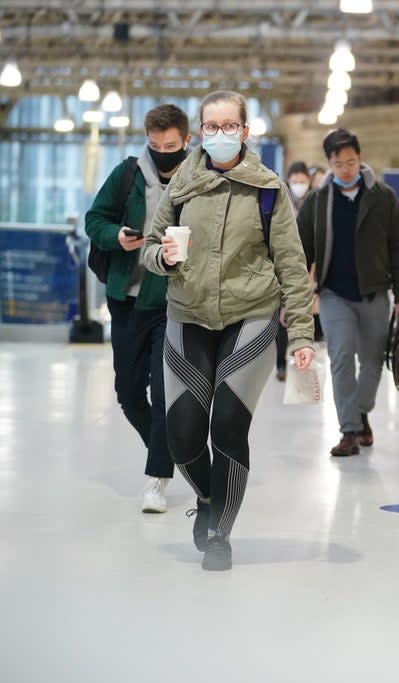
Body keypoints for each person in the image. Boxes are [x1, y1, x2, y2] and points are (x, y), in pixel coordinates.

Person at [140, 90, 316, 571]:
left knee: (229, 427)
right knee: (181, 433)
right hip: (188, 315)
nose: (220, 135)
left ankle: (219, 532)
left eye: (229, 126)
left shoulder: (268, 189)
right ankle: (208, 497)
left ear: (245, 130)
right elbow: (150, 248)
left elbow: (292, 266)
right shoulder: (181, 186)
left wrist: (300, 335)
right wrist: (162, 256)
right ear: (199, 132)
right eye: (211, 127)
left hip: (251, 316)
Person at [84, 103, 191, 514]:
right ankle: (170, 453)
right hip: (125, 300)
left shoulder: (196, 181)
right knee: (128, 393)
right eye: (155, 144)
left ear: (186, 141)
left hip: (171, 303)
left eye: (170, 144)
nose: (162, 151)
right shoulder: (127, 173)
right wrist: (117, 236)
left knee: (165, 394)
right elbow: (96, 219)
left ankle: (156, 480)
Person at [296, 127, 399, 457]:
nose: (345, 170)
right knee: (341, 358)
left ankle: (361, 411)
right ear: (329, 164)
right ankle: (349, 429)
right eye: (338, 164)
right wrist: (290, 296)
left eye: (350, 162)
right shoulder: (318, 202)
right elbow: (300, 251)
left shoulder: (382, 196)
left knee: (374, 361)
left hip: (376, 293)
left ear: (360, 159)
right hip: (334, 294)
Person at [274, 160, 314, 381]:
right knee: (284, 316)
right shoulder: (283, 201)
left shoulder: (313, 201)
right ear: (289, 180)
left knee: (303, 314)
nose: (299, 184)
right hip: (284, 266)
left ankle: (304, 361)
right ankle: (281, 365)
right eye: (295, 181)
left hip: (307, 264)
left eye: (302, 181)